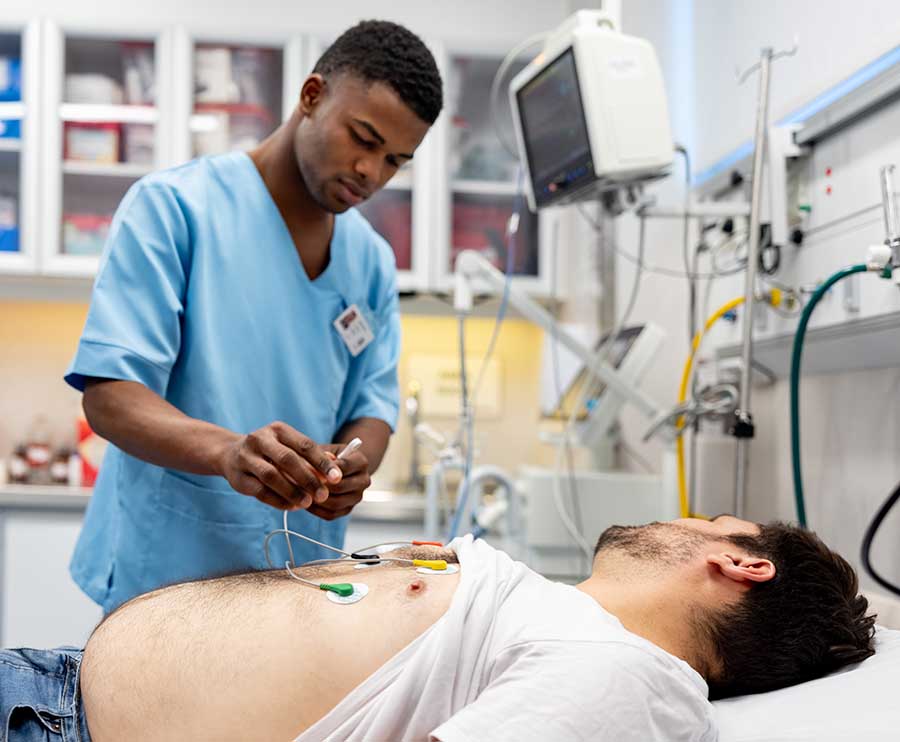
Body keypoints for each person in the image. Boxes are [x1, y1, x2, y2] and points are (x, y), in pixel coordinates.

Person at [62, 20, 443, 612]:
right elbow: (110, 396)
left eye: (395, 160)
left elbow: (373, 405)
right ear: (311, 96)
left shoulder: (369, 259)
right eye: (362, 139)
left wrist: (353, 463)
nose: (372, 172)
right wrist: (228, 453)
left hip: (300, 579)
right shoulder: (175, 209)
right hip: (166, 575)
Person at [0, 515, 875, 741]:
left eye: (712, 517)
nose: (681, 518)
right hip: (48, 686)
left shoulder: (631, 677)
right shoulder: (569, 620)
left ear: (740, 563)